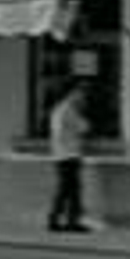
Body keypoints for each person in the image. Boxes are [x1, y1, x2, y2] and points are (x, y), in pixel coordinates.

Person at [47, 84, 91, 232]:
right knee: (69, 190)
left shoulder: (59, 110)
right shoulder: (69, 110)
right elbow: (84, 127)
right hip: (68, 155)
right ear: (71, 93)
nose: (82, 98)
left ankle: (63, 220)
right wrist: (82, 116)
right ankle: (63, 221)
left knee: (69, 190)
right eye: (80, 94)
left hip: (62, 155)